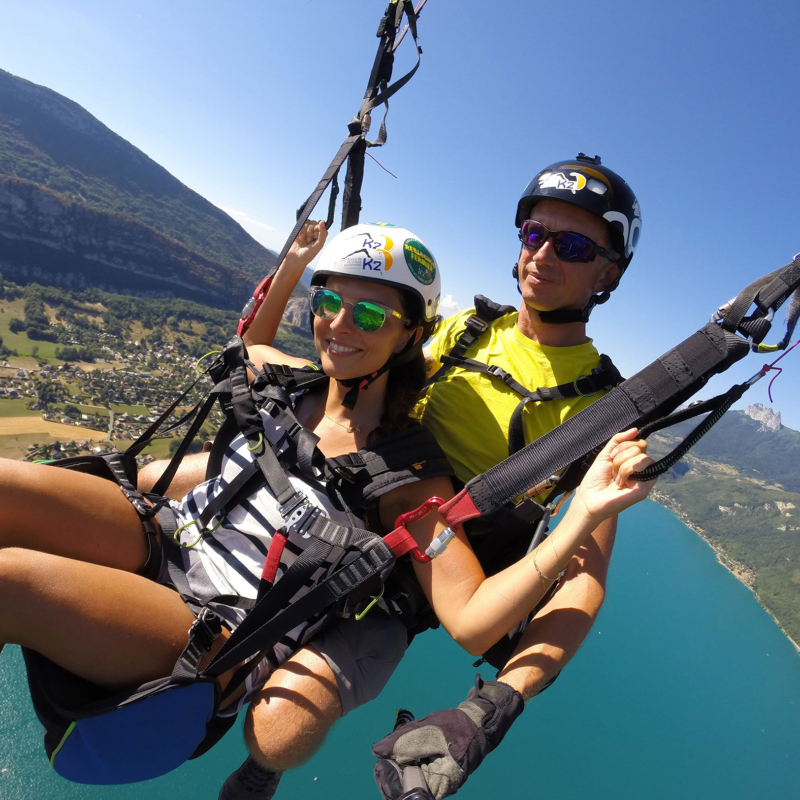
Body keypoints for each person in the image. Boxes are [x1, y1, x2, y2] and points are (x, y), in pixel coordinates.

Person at [0, 220, 653, 796]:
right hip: (175, 536)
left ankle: (261, 754)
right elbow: (251, 343)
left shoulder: (408, 481)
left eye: (369, 317)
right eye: (330, 303)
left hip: (220, 621)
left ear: (406, 337)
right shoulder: (297, 380)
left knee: (13, 583)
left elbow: (475, 620)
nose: (339, 325)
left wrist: (581, 516)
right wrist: (292, 265)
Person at [371, 153, 645, 800]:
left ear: (607, 272)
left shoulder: (602, 414)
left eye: (572, 244)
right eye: (535, 235)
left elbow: (582, 587)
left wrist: (491, 708)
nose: (543, 255)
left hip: (433, 577)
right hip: (360, 514)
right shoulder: (459, 331)